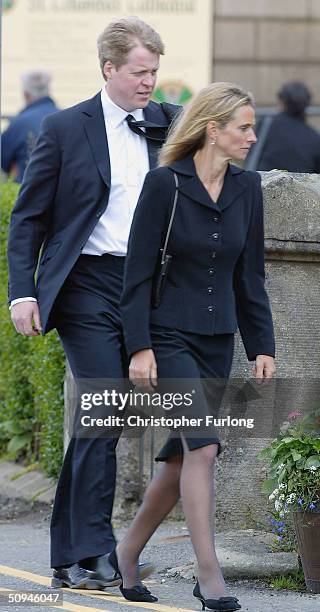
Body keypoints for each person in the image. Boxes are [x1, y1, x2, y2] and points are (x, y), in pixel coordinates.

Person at [8, 17, 180, 591]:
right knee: (106, 411)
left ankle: (69, 555)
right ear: (109, 69)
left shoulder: (166, 124)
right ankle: (99, 552)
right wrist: (23, 291)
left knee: (100, 421)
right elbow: (28, 217)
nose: (149, 82)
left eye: (154, 71)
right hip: (84, 285)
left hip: (145, 289)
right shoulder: (63, 128)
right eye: (139, 71)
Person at [116, 82, 276, 609]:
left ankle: (127, 552)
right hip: (167, 337)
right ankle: (210, 577)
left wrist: (261, 346)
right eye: (244, 126)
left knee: (182, 460)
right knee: (203, 446)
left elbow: (249, 276)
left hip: (216, 340)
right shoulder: (165, 184)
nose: (252, 136)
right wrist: (139, 346)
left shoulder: (247, 188)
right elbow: (137, 274)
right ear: (214, 129)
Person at [1, 70, 58, 182]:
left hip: (27, 192)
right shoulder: (68, 118)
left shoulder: (18, 123)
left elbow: (3, 162)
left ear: (25, 94)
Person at [257, 81, 320, 172]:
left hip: (262, 182)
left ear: (281, 102)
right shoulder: (315, 137)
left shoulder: (266, 125)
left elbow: (251, 155)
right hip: (301, 185)